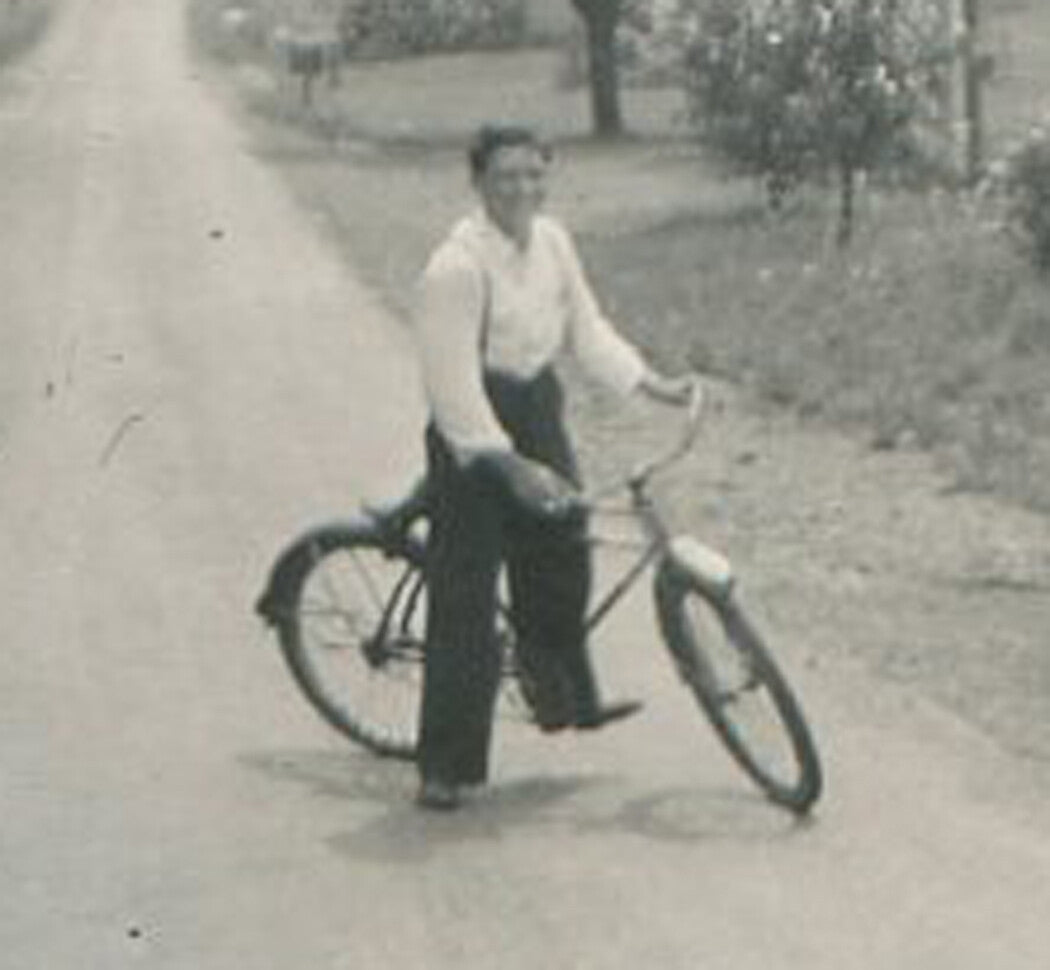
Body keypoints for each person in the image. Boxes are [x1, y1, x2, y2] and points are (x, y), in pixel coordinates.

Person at [412, 123, 693, 810]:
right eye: (506, 176)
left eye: (534, 175)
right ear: (478, 183)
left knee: (565, 544)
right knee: (466, 601)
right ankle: (444, 768)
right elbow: (451, 387)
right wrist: (509, 468)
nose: (522, 189)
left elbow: (587, 331)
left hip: (536, 403)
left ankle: (554, 688)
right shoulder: (455, 266)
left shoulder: (553, 242)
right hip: (473, 430)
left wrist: (652, 384)